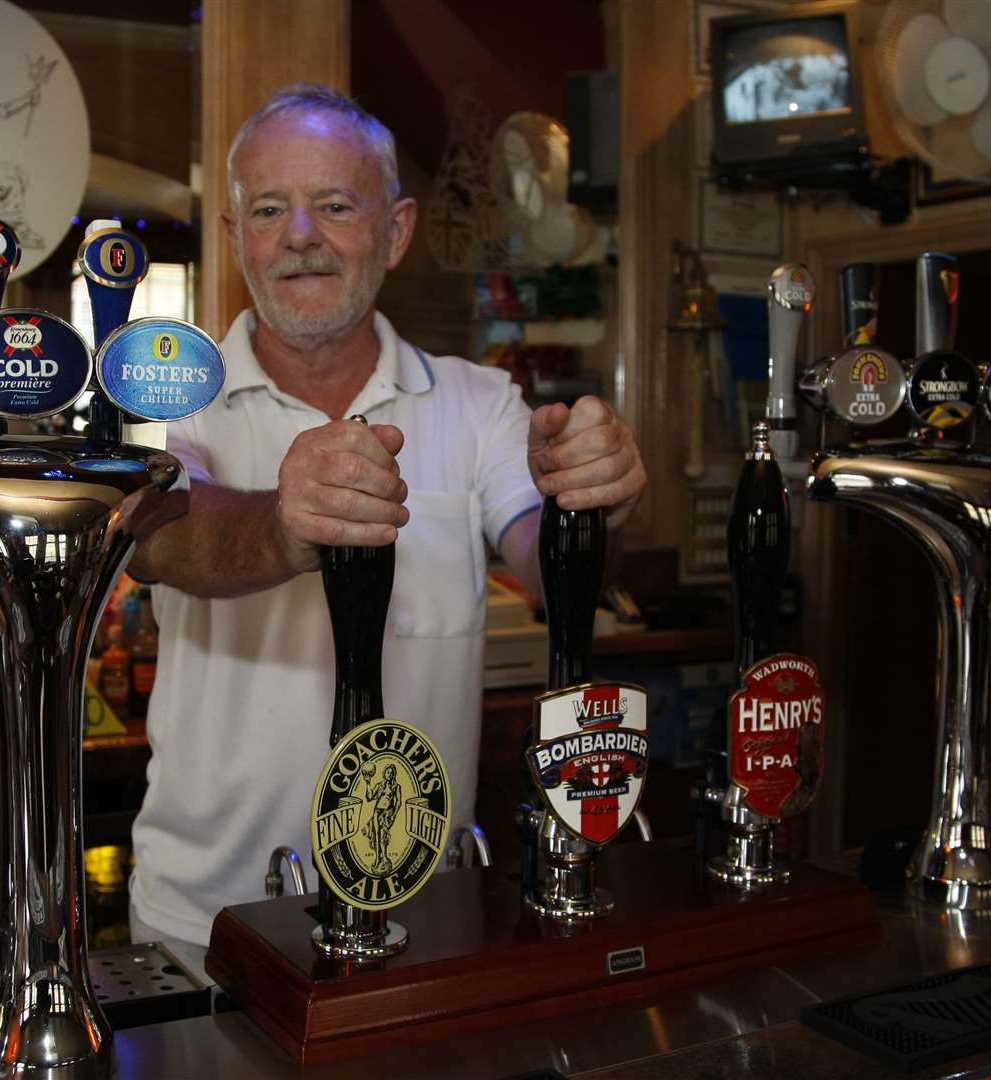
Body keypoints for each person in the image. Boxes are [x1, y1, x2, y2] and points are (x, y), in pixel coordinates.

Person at [125, 84, 646, 966]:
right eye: (269, 209)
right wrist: (286, 530)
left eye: (334, 205)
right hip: (210, 917)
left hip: (426, 905)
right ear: (234, 238)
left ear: (397, 231)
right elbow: (158, 534)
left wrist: (589, 501)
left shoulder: (479, 403)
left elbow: (550, 557)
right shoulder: (174, 399)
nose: (299, 235)